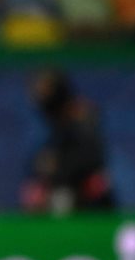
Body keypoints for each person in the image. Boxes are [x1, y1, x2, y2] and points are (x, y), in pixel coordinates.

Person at [21, 69, 116, 214]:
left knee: (61, 199)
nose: (39, 96)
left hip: (88, 201)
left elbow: (91, 158)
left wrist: (57, 167)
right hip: (67, 191)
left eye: (44, 89)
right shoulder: (56, 126)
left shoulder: (80, 117)